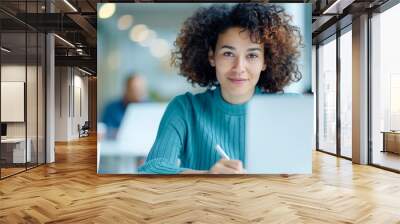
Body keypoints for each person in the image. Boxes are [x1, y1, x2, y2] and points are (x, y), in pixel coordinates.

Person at [138, 3, 302, 174]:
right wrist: (207, 177)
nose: (239, 67)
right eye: (228, 53)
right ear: (212, 57)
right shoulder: (185, 109)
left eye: (252, 55)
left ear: (265, 62)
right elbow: (152, 169)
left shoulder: (291, 109)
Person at [101, 74, 147, 138]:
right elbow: (104, 131)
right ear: (126, 88)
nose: (138, 92)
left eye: (140, 89)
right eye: (134, 89)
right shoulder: (112, 108)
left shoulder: (149, 107)